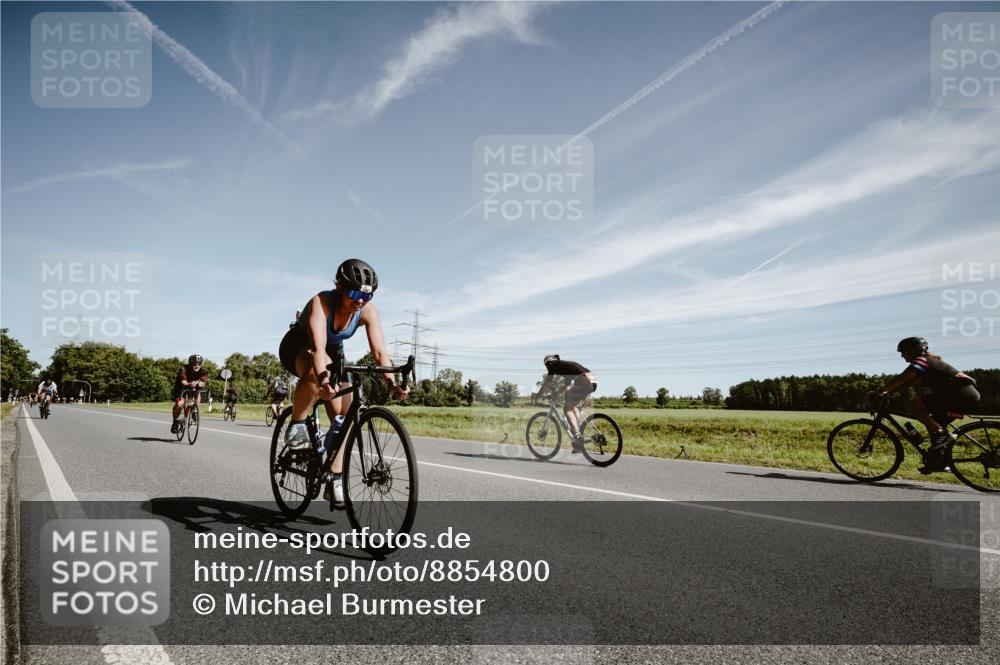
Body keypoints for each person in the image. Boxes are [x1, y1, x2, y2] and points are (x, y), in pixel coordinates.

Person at [278, 259, 409, 507]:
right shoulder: (322, 302)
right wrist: (325, 381)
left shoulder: (367, 311)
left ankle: (334, 476)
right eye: (354, 292)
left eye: (366, 296)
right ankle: (296, 425)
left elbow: (380, 353)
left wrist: (392, 384)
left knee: (346, 415)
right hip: (300, 344)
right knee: (320, 375)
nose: (360, 300)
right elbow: (318, 349)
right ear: (339, 287)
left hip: (333, 352)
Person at [873, 337, 980, 473]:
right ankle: (938, 462)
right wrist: (888, 393)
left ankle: (944, 435)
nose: (902, 356)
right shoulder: (929, 362)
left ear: (913, 351)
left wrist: (879, 392)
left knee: (912, 406)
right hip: (965, 396)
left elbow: (901, 378)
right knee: (933, 424)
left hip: (958, 395)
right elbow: (906, 383)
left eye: (903, 352)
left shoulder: (921, 361)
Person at [532, 354, 598, 453]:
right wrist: (557, 393)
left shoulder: (555, 366)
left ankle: (578, 437)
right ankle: (578, 440)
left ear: (550, 362)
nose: (548, 367)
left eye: (547, 365)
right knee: (572, 406)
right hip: (592, 381)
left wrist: (538, 395)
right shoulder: (566, 367)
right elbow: (566, 387)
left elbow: (547, 383)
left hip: (583, 380)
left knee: (567, 409)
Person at [172, 355, 208, 433]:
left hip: (194, 386)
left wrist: (201, 383)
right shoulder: (184, 369)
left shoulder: (203, 370)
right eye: (194, 364)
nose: (197, 366)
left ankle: (195, 411)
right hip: (181, 387)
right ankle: (175, 422)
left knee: (197, 393)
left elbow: (203, 381)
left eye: (199, 364)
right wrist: (190, 384)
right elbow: (183, 382)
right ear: (190, 364)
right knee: (179, 404)